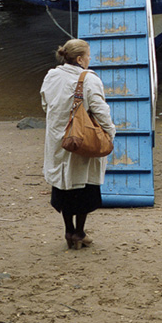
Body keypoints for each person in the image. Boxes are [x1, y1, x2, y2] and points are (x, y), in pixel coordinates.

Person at [40, 38, 116, 250]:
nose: (90, 60)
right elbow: (101, 111)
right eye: (89, 56)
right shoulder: (89, 79)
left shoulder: (51, 75)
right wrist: (110, 133)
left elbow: (45, 104)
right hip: (81, 139)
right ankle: (80, 232)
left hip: (58, 139)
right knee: (84, 186)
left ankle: (68, 230)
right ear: (81, 59)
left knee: (63, 186)